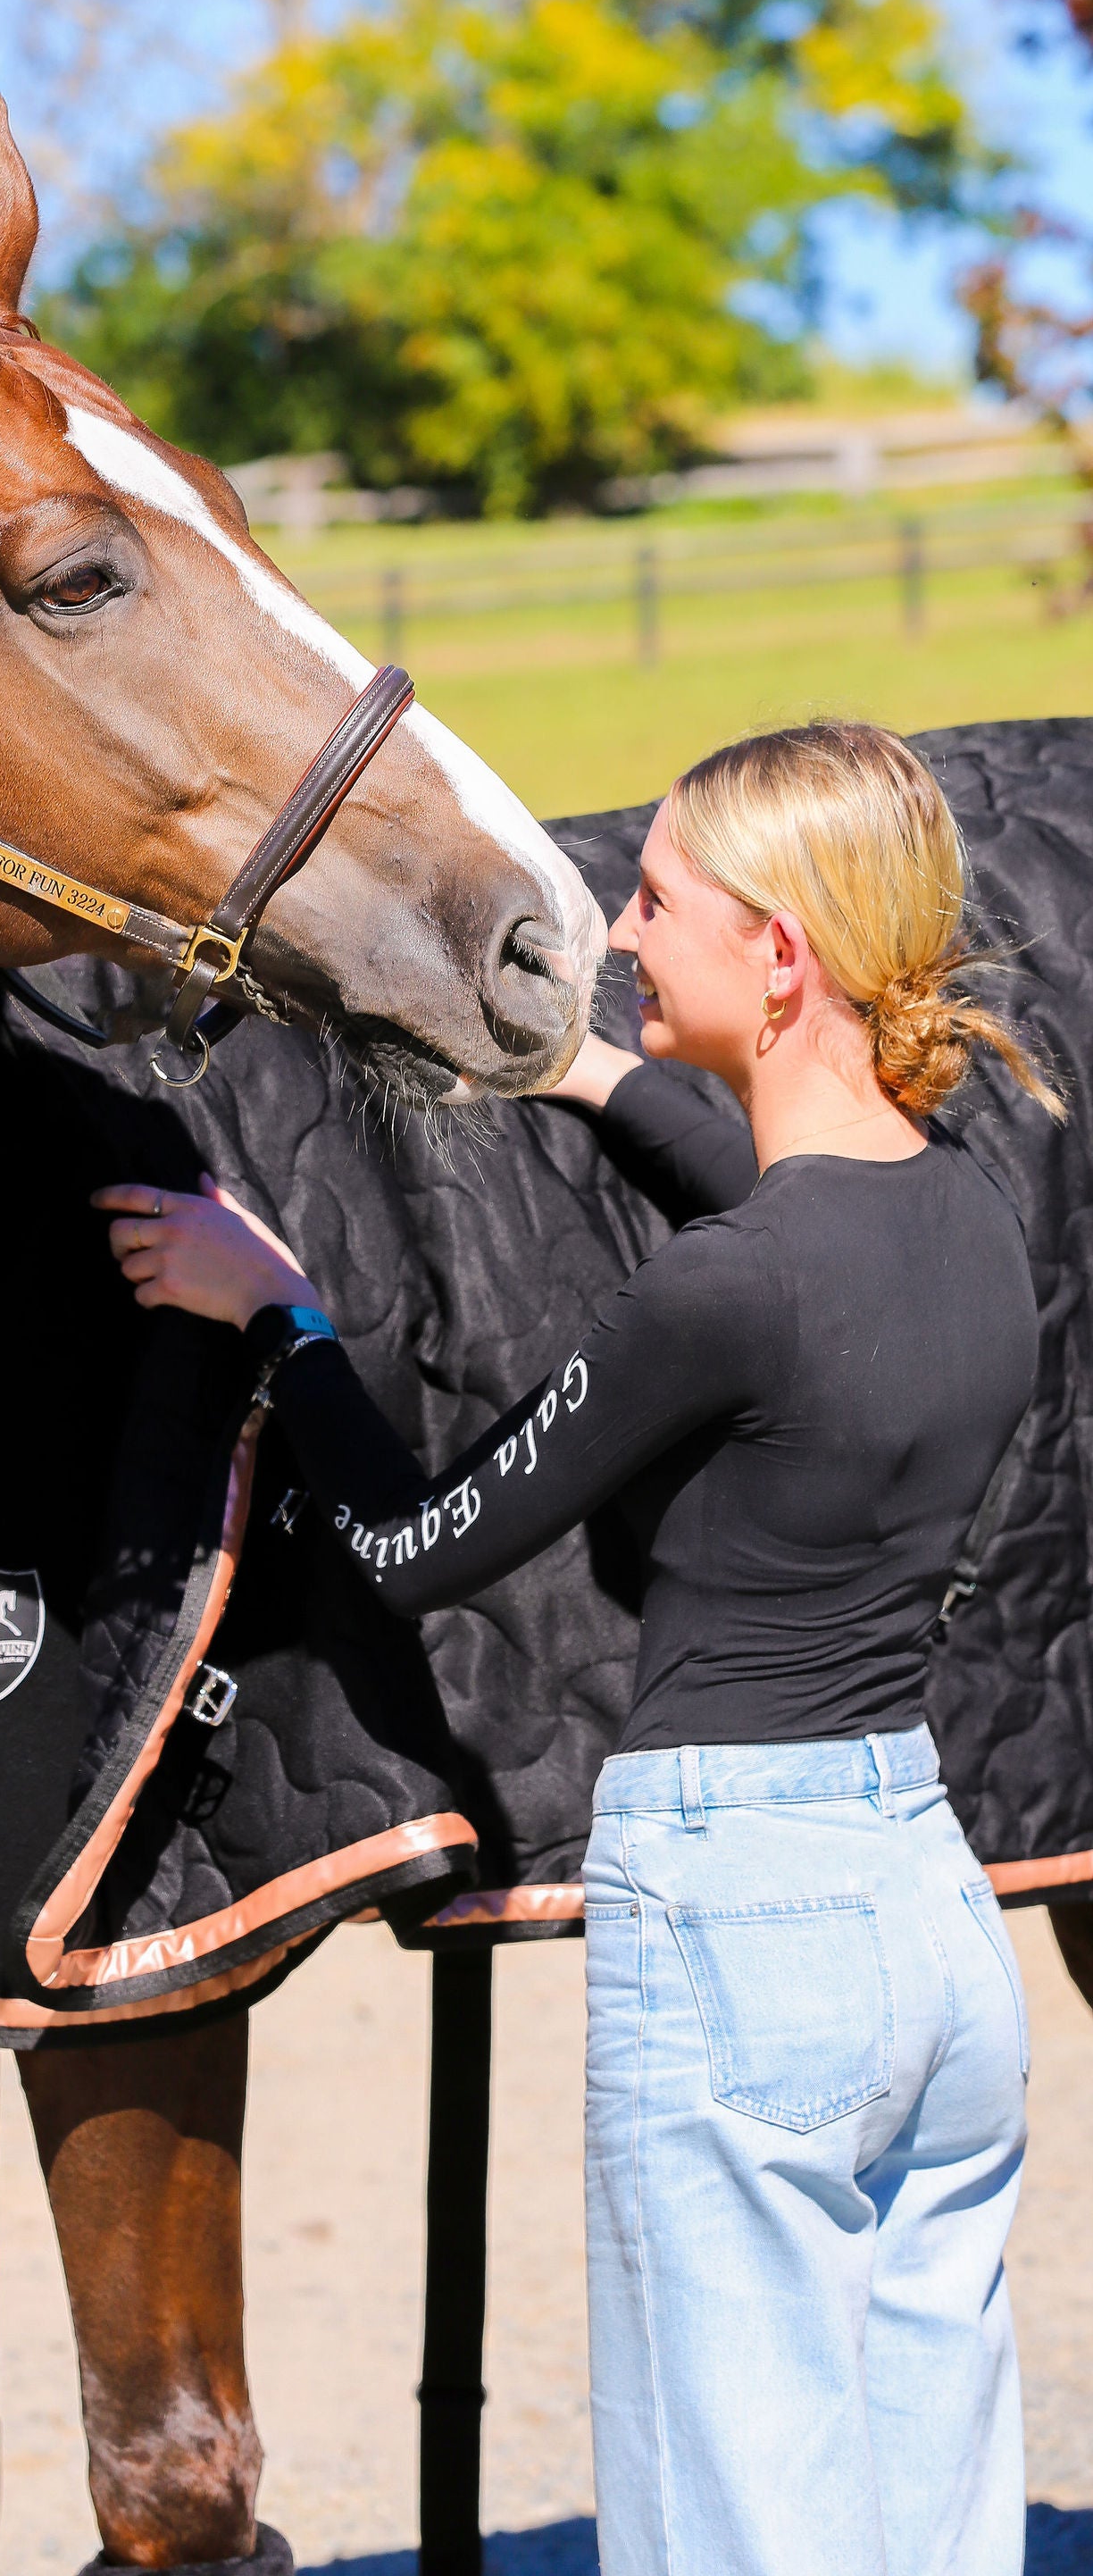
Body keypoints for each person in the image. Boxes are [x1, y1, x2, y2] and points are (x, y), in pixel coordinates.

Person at [94, 720, 1064, 2576]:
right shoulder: (967, 1209)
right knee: (930, 2521)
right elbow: (764, 1178)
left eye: (659, 904)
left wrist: (281, 1313)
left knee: (729, 2528)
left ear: (779, 955)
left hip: (744, 1923)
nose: (618, 931)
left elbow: (413, 1544)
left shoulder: (718, 1297)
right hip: (926, 1917)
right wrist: (588, 1071)